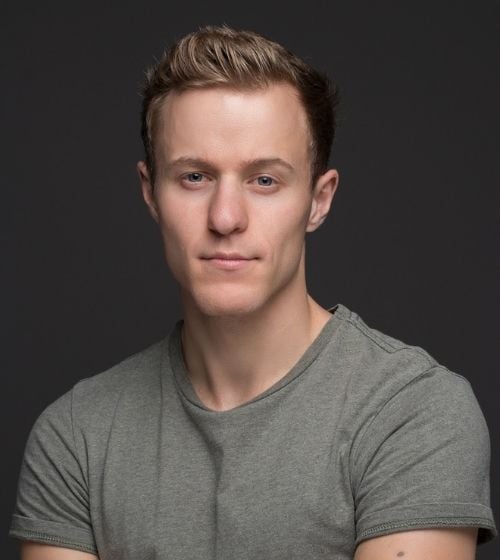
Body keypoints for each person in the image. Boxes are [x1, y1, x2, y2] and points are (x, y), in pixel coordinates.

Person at [9, 25, 496, 560]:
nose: (225, 218)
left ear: (318, 200)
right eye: (194, 177)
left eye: (264, 180)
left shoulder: (413, 411)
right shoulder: (76, 434)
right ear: (151, 193)